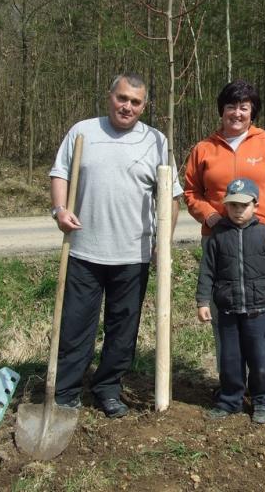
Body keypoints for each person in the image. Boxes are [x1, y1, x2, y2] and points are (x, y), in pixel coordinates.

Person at [50, 73, 183, 418]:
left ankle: (108, 389)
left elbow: (171, 198)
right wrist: (60, 210)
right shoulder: (83, 132)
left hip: (132, 255)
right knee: (76, 325)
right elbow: (60, 173)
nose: (127, 107)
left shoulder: (156, 141)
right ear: (110, 96)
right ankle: (66, 390)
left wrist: (161, 243)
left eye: (135, 102)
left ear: (144, 106)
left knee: (123, 330)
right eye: (122, 98)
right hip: (83, 251)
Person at [184, 79, 265, 414]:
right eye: (231, 107)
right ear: (221, 110)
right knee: (227, 323)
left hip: (261, 246)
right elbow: (190, 192)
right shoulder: (204, 150)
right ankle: (232, 388)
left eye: (244, 107)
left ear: (252, 111)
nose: (236, 113)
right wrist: (208, 216)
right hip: (221, 246)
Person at [197, 178, 265, 424]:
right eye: (233, 205)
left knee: (259, 359)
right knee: (230, 359)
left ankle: (262, 401)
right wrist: (203, 301)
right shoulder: (218, 235)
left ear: (255, 205)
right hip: (227, 309)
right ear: (226, 206)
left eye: (244, 205)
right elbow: (207, 270)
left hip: (258, 311)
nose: (238, 210)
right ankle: (230, 400)